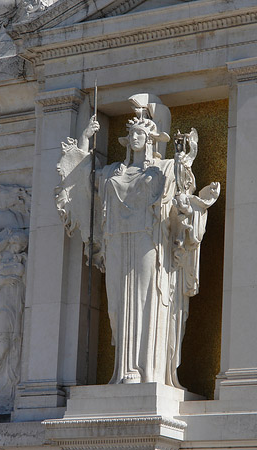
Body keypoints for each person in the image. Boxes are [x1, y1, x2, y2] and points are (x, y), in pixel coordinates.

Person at [56, 95, 220, 387]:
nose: (134, 138)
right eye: (131, 134)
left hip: (150, 245)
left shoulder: (165, 169)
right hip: (117, 243)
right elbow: (80, 179)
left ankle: (149, 373)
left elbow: (184, 195)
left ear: (152, 139)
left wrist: (185, 162)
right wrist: (84, 140)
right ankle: (123, 371)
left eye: (140, 134)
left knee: (149, 301)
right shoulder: (112, 174)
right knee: (118, 306)